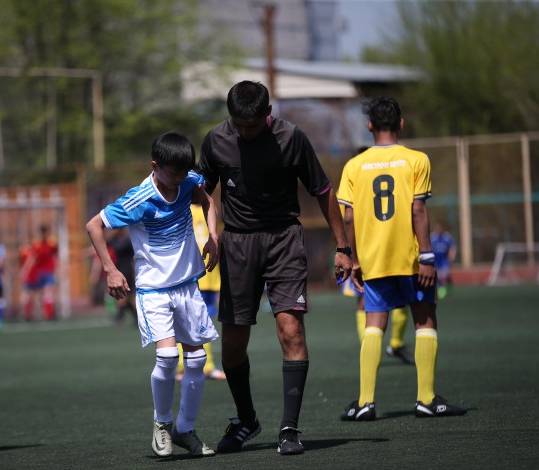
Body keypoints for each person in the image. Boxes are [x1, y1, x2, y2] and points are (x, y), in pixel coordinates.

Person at [198, 81, 352, 456]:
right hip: (237, 245)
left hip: (284, 240)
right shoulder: (216, 139)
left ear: (267, 114)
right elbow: (201, 191)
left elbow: (323, 191)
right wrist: (211, 233)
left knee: (291, 331)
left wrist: (343, 247)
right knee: (232, 346)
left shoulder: (291, 138)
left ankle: (289, 428)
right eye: (238, 124)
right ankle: (246, 420)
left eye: (251, 125)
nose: (244, 132)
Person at [86, 132, 220, 458]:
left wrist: (213, 236)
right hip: (154, 291)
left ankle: (185, 429)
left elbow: (208, 200)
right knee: (168, 357)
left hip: (188, 286)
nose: (179, 180)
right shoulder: (139, 200)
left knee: (197, 360)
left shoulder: (188, 180)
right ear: (155, 166)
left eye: (184, 173)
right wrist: (110, 270)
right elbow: (93, 225)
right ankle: (162, 424)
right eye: (173, 173)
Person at [337, 96, 467, 421]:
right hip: (410, 258)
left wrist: (353, 259)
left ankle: (365, 403)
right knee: (425, 320)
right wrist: (427, 256)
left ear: (369, 125)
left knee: (374, 324)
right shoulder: (416, 160)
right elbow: (418, 210)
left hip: (373, 260)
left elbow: (348, 217)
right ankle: (426, 398)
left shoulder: (354, 166)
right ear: (401, 123)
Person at [341, 147, 414, 365]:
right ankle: (389, 344)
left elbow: (347, 219)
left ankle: (379, 347)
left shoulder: (353, 176)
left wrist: (348, 254)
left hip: (367, 252)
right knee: (401, 298)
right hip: (394, 248)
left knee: (366, 301)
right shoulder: (396, 173)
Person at [176, 204, 227, 381]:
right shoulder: (181, 206)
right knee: (186, 323)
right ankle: (184, 368)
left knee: (205, 324)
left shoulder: (210, 207)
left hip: (209, 277)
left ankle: (206, 366)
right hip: (190, 276)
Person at [20, 225, 58, 320]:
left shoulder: (51, 244)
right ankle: (31, 314)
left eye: (44, 233)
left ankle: (48, 315)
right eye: (41, 233)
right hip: (39, 273)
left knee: (48, 293)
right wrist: (26, 270)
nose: (43, 235)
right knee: (39, 295)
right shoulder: (36, 246)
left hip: (49, 272)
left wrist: (59, 269)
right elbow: (32, 258)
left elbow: (55, 257)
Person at [431, 222, 457, 299]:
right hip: (436, 260)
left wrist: (451, 257)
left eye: (440, 228)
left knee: (446, 275)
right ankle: (441, 289)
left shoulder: (447, 237)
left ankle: (449, 286)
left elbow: (452, 246)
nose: (438, 230)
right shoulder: (432, 237)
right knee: (437, 275)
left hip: (444, 259)